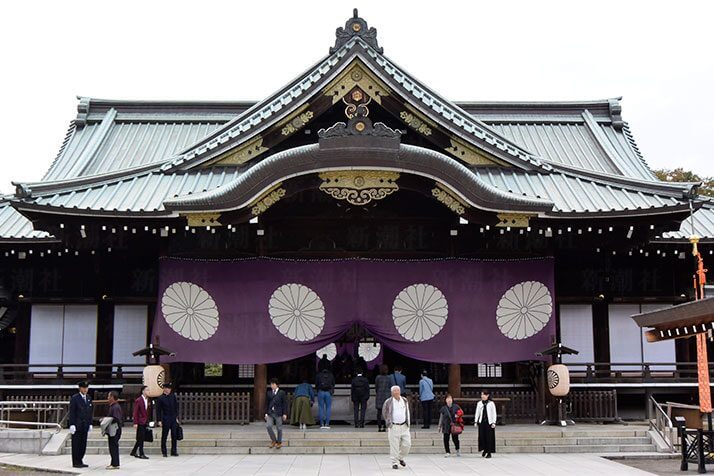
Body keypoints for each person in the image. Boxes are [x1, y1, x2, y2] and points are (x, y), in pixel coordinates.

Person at [382, 385, 411, 470]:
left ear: (400, 391)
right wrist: (388, 422)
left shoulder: (404, 400)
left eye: (397, 391)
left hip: (404, 426)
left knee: (407, 444)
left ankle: (400, 457)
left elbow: (407, 412)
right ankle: (394, 462)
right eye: (394, 391)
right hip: (394, 426)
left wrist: (408, 423)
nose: (396, 392)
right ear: (391, 393)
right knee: (394, 445)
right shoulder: (388, 401)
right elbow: (385, 412)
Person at [68, 381, 93, 468]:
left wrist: (90, 423)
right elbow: (72, 412)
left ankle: (81, 460)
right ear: (80, 388)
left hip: (85, 424)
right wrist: (72, 424)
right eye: (84, 388)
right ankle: (76, 462)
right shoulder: (75, 398)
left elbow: (90, 412)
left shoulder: (89, 398)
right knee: (76, 444)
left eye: (87, 388)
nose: (85, 389)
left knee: (83, 444)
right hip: (77, 424)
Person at [156, 382, 180, 457]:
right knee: (164, 435)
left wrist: (176, 417)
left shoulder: (173, 396)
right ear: (165, 389)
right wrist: (159, 420)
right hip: (165, 418)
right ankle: (164, 451)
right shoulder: (160, 398)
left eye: (170, 388)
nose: (169, 390)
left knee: (174, 435)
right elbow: (158, 410)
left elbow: (176, 408)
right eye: (168, 388)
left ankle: (174, 451)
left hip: (173, 418)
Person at [265, 378, 288, 448]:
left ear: (277, 385)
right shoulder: (269, 393)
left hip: (278, 412)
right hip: (270, 412)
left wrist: (285, 413)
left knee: (279, 428)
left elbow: (284, 403)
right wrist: (266, 413)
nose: (272, 385)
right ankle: (274, 440)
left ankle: (279, 442)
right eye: (271, 384)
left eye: (273, 384)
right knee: (268, 426)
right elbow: (266, 403)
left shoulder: (282, 393)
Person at [474, 389, 497, 458]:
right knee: (482, 437)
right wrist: (476, 421)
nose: (482, 396)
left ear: (487, 395)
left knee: (489, 437)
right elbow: (477, 412)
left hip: (489, 423)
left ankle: (489, 452)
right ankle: (484, 449)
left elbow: (494, 413)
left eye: (484, 394)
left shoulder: (491, 403)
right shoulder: (479, 403)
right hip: (482, 422)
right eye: (481, 394)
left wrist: (494, 422)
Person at [103, 391, 123, 470]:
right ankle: (113, 462)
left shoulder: (115, 407)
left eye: (109, 396)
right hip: (112, 429)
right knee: (112, 446)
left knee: (113, 446)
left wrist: (106, 420)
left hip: (114, 429)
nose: (108, 398)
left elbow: (116, 419)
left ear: (112, 397)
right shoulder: (113, 406)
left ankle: (115, 464)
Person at [131, 385, 151, 459]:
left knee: (140, 437)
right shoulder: (138, 400)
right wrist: (135, 422)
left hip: (145, 420)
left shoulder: (148, 399)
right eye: (147, 390)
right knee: (141, 437)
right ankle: (141, 453)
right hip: (140, 421)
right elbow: (135, 412)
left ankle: (134, 451)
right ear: (143, 391)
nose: (148, 391)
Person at [375, 364, 391, 432]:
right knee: (386, 412)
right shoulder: (389, 378)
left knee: (379, 412)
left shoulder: (378, 377)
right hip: (387, 396)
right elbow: (390, 386)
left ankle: (379, 426)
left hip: (379, 395)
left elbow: (376, 387)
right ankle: (385, 426)